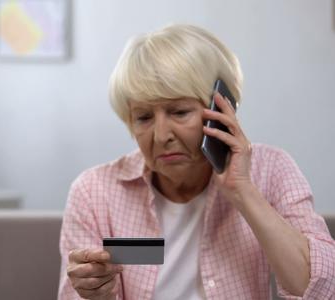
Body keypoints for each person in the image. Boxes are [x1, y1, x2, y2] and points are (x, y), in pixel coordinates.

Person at [58, 24, 335, 299]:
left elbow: (323, 292)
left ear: (221, 109)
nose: (161, 136)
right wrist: (96, 294)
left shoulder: (271, 169)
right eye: (143, 117)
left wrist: (243, 191)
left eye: (179, 112)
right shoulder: (94, 191)